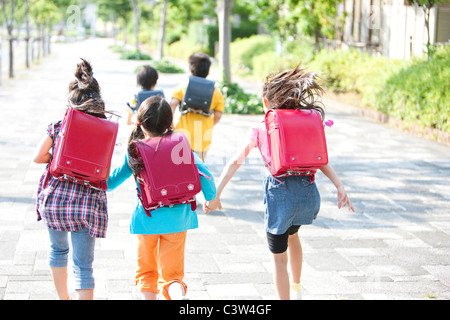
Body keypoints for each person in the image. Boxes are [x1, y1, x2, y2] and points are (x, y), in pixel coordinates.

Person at [208, 66, 355, 300]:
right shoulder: (306, 124)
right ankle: (296, 290)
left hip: (280, 196)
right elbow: (321, 159)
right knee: (293, 236)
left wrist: (216, 194)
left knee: (278, 257)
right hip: (308, 194)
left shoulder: (260, 128)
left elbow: (235, 161)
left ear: (266, 102)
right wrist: (339, 185)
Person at [107, 95, 220, 300]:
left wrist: (89, 180)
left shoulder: (136, 150)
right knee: (173, 276)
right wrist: (212, 199)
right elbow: (204, 174)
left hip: (147, 220)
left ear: (139, 123)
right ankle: (179, 297)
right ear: (170, 123)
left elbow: (112, 181)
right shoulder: (180, 146)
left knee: (146, 273)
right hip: (178, 220)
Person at [33, 59, 109, 300]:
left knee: (57, 251)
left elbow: (38, 157)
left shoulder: (58, 126)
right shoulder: (105, 130)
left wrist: (56, 156)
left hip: (56, 200)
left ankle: (63, 298)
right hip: (87, 205)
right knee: (84, 265)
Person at [170, 52, 225, 161]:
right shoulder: (215, 91)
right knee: (198, 170)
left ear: (190, 70)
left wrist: (171, 125)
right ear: (207, 72)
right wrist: (210, 124)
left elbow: (172, 104)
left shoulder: (183, 86)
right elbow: (218, 114)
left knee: (179, 168)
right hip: (203, 137)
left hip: (182, 136)